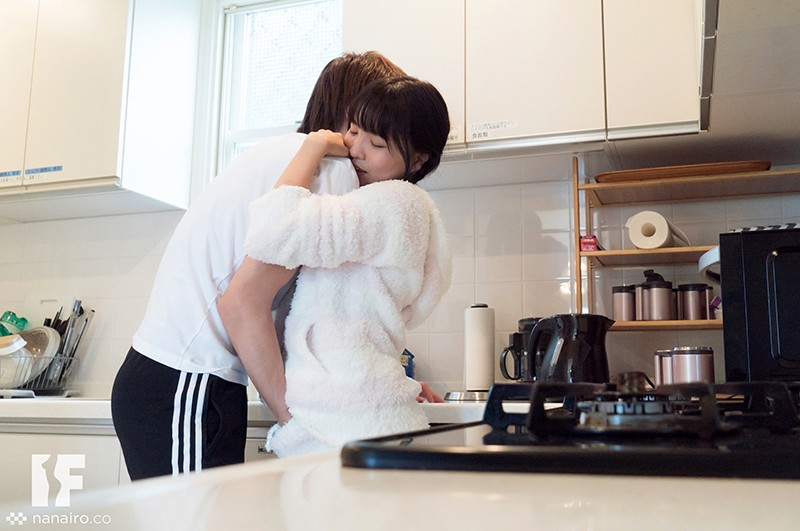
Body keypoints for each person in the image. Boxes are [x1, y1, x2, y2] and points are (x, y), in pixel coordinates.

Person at [110, 52, 439, 480]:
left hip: (174, 381)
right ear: (352, 115)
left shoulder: (294, 157)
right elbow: (242, 303)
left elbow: (290, 313)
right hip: (186, 382)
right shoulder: (331, 172)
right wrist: (296, 423)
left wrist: (385, 385)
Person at [219, 76, 452, 457]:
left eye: (376, 144)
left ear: (418, 159)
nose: (355, 150)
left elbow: (273, 230)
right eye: (354, 131)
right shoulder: (412, 210)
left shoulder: (391, 203)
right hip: (360, 410)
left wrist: (314, 144)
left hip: (341, 417)